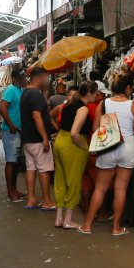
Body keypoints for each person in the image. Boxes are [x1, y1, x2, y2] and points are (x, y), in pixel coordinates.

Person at [78, 75, 134, 237]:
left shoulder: (103, 104)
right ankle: (116, 227)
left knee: (100, 188)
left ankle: (87, 225)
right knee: (121, 188)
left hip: (109, 146)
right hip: (128, 148)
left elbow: (96, 128)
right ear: (128, 89)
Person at [52, 83, 97, 229]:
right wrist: (85, 147)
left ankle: (59, 219)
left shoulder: (68, 104)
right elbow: (74, 133)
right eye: (95, 93)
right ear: (89, 93)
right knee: (74, 182)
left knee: (60, 181)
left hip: (60, 141)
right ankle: (68, 220)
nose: (97, 96)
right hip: (72, 145)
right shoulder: (83, 109)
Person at [19, 69, 55, 211]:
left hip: (28, 139)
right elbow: (37, 117)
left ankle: (32, 200)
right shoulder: (35, 95)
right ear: (38, 78)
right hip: (38, 139)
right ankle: (46, 201)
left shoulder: (26, 93)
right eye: (46, 78)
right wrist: (45, 138)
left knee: (31, 168)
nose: (47, 81)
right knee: (44, 170)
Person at [0, 69, 24, 202]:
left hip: (17, 131)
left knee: (15, 162)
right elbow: (2, 108)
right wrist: (11, 125)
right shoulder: (10, 89)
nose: (23, 79)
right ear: (14, 78)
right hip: (10, 131)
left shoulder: (21, 90)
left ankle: (14, 189)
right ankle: (10, 193)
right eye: (20, 77)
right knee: (11, 161)